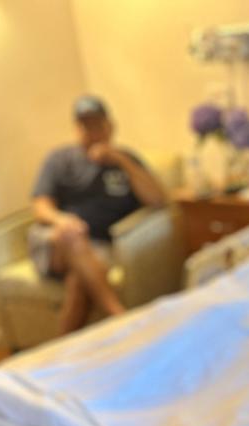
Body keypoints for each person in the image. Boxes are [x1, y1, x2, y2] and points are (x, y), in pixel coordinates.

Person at [30, 95, 167, 334]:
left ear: (110, 127)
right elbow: (40, 206)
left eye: (96, 125)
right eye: (84, 126)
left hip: (98, 245)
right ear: (77, 129)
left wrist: (122, 161)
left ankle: (65, 354)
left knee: (79, 282)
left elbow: (157, 200)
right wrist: (61, 220)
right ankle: (120, 317)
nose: (90, 132)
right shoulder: (60, 159)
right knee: (71, 235)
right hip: (54, 240)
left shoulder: (126, 159)